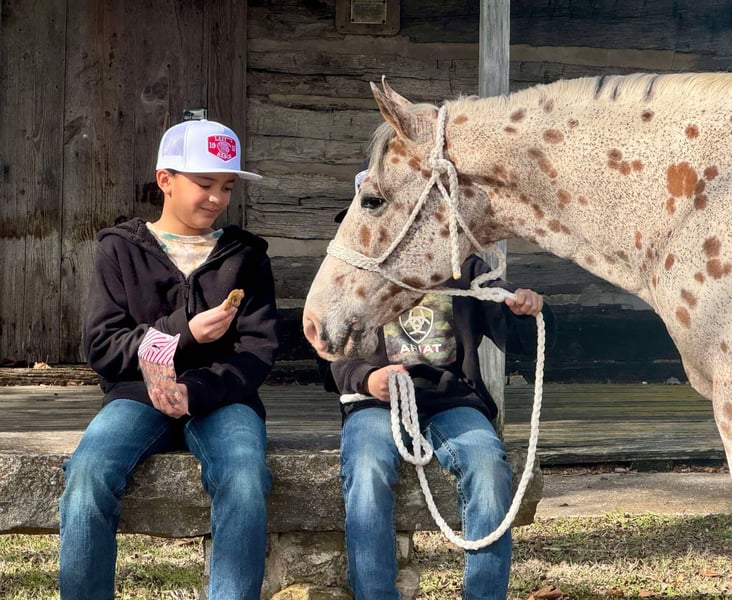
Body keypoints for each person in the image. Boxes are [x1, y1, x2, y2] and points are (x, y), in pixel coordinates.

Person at [59, 119, 279, 600]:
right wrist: (183, 333)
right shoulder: (119, 250)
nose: (217, 198)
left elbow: (257, 352)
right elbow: (103, 347)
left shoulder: (246, 256)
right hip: (136, 397)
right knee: (88, 474)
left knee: (244, 477)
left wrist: (193, 391)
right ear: (166, 180)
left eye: (227, 187)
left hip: (223, 398)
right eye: (204, 183)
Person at [322, 171, 556, 600]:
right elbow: (329, 351)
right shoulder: (350, 272)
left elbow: (513, 331)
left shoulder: (463, 268)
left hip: (452, 399)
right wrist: (366, 378)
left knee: (487, 465)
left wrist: (526, 309)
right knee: (367, 467)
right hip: (375, 403)